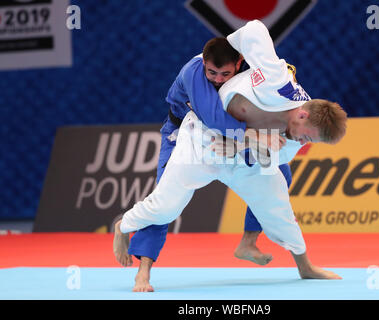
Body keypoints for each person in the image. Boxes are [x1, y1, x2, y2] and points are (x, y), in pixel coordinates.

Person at [114, 20, 347, 292]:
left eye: (310, 141)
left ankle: (303, 265)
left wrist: (242, 146)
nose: (305, 143)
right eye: (308, 136)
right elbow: (254, 30)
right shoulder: (275, 79)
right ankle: (124, 225)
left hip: (240, 154)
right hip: (201, 139)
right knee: (167, 204)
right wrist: (232, 44)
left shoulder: (294, 138)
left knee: (277, 202)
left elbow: (270, 160)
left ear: (237, 66)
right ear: (303, 113)